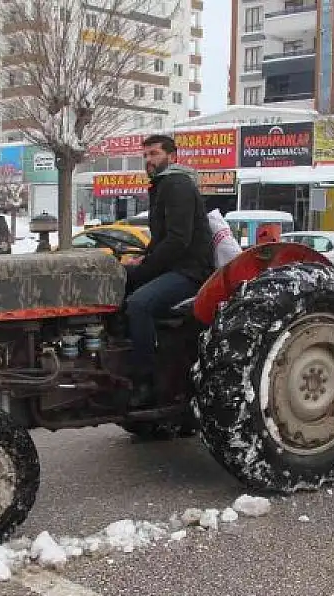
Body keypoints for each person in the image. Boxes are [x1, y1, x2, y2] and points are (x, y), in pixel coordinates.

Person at [124, 134, 215, 407]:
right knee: (119, 289)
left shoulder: (177, 184)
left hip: (190, 271)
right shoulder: (162, 185)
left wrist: (144, 271)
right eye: (146, 156)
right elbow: (162, 238)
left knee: (138, 304)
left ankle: (147, 383)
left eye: (154, 154)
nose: (149, 160)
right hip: (174, 267)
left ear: (172, 156)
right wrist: (142, 260)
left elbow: (178, 240)